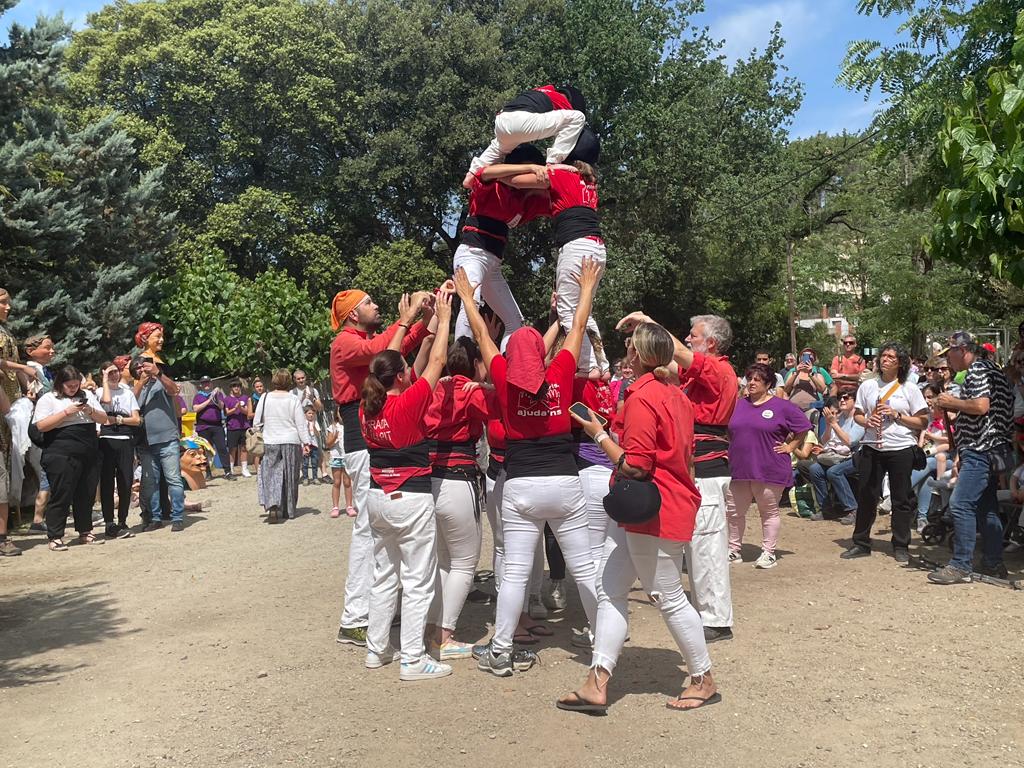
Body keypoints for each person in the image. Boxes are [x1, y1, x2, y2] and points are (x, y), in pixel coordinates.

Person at [556, 322, 718, 714]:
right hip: (658, 506)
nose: (625, 353)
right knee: (610, 586)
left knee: (667, 595)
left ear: (638, 355)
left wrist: (598, 433)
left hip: (653, 508)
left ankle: (703, 678)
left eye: (629, 347)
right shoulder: (675, 394)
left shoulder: (643, 396)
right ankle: (598, 680)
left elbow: (635, 465)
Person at [456, 257, 603, 677]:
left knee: (516, 572)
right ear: (539, 353)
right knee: (585, 568)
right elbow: (576, 329)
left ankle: (501, 650)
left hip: (519, 486)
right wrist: (587, 287)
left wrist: (469, 298)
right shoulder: (558, 372)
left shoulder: (502, 376)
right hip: (564, 483)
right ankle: (602, 641)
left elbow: (483, 335)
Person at [616, 311, 737, 644]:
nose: (687, 340)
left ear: (711, 343)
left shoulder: (720, 369)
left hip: (708, 469)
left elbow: (675, 355)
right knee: (694, 544)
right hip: (694, 467)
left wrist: (649, 323)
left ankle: (715, 618)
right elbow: (662, 361)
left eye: (694, 336)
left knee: (707, 546)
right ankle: (705, 613)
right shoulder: (696, 373)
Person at [329, 284, 436, 646]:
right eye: (369, 303)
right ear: (353, 314)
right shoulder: (345, 341)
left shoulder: (366, 338)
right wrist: (407, 319)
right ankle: (354, 617)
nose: (376, 306)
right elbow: (381, 351)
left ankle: (371, 613)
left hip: (369, 439)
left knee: (372, 529)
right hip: (363, 442)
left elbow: (396, 351)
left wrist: (425, 319)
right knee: (365, 530)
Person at [360, 291, 453, 680]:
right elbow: (437, 361)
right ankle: (413, 659)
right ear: (400, 376)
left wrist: (409, 318)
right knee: (417, 580)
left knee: (384, 576)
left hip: (378, 498)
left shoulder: (369, 408)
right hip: (411, 498)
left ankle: (377, 649)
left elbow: (383, 364)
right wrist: (445, 317)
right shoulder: (408, 402)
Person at [494, 149, 608, 376]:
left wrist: (514, 170)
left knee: (567, 312)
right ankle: (601, 365)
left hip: (576, 246)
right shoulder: (588, 181)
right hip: (596, 248)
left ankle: (588, 367)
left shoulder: (562, 175)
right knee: (584, 309)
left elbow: (513, 181)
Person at [420, 337, 493, 660]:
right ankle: (444, 636)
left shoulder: (435, 387)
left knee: (443, 560)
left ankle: (432, 627)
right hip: (458, 477)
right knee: (464, 561)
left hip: (430, 479)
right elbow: (500, 410)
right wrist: (485, 386)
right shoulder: (472, 391)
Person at [929, 332, 1013, 583]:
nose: (948, 361)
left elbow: (980, 406)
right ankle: (992, 562)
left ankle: (961, 564)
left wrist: (951, 402)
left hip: (981, 449)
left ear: (963, 350)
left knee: (960, 503)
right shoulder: (992, 369)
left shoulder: (977, 370)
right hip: (988, 448)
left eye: (950, 354)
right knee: (986, 509)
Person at [454, 144, 551, 347]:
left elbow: (556, 195)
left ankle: (508, 370)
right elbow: (485, 172)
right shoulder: (494, 186)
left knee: (516, 322)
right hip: (472, 254)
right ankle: (460, 368)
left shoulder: (526, 200)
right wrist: (530, 168)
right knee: (471, 303)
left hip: (493, 265)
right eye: (531, 169)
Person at [841, 343, 929, 563]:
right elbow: (858, 415)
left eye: (891, 356)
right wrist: (867, 421)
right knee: (867, 495)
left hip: (900, 447)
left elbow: (923, 420)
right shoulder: (868, 386)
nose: (885, 359)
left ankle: (900, 544)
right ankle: (861, 542)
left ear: (900, 362)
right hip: (872, 446)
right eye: (883, 356)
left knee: (901, 497)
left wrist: (898, 415)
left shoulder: (909, 388)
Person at [726, 363, 811, 568]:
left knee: (768, 511)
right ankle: (733, 549)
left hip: (769, 467)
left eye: (757, 379)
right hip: (739, 467)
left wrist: (790, 447)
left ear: (769, 384)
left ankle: (768, 552)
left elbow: (804, 428)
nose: (751, 383)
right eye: (749, 379)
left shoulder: (782, 406)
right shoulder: (738, 404)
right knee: (733, 511)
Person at [32, 365, 109, 550]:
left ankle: (85, 531)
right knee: (62, 493)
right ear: (61, 384)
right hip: (61, 452)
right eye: (70, 386)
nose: (74, 389)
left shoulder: (87, 396)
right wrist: (66, 412)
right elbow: (40, 426)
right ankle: (55, 535)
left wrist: (89, 410)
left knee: (86, 493)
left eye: (76, 385)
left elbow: (103, 418)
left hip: (88, 450)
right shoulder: (49, 399)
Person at [465, 84, 587, 180]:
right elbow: (567, 130)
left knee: (499, 148)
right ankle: (553, 163)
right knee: (578, 117)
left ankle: (472, 174)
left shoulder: (543, 91)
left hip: (502, 121)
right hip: (522, 121)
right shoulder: (564, 103)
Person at [133, 355, 187, 532]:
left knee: (173, 479)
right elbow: (129, 404)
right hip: (146, 443)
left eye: (144, 366)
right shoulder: (134, 388)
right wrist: (140, 383)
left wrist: (159, 373)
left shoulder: (161, 382)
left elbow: (174, 390)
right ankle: (156, 518)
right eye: (138, 368)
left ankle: (177, 516)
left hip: (167, 439)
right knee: (151, 483)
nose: (142, 370)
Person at [254, 369, 312, 523]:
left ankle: (273, 505)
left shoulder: (265, 397)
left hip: (270, 440)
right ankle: (288, 509)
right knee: (290, 476)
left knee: (270, 474)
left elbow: (256, 422)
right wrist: (306, 442)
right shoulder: (293, 399)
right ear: (289, 382)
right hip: (290, 441)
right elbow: (300, 424)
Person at [795, 392, 864, 521]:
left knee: (834, 472)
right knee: (815, 469)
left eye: (846, 398)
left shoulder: (859, 418)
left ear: (855, 401)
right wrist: (828, 425)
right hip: (836, 456)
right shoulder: (840, 417)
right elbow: (825, 441)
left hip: (855, 457)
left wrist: (834, 424)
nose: (842, 400)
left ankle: (852, 509)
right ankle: (826, 509)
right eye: (840, 398)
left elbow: (851, 441)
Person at [97, 362, 141, 539]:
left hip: (125, 440)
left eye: (117, 371)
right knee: (107, 483)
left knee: (125, 481)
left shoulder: (128, 393)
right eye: (111, 372)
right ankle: (109, 522)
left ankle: (122, 519)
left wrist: (118, 420)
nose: (115, 374)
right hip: (106, 440)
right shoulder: (99, 392)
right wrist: (105, 381)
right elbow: (105, 402)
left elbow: (136, 419)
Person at [193, 377, 233, 481]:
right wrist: (208, 400)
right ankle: (208, 472)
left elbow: (221, 407)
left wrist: (215, 398)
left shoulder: (217, 395)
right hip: (203, 426)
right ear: (201, 384)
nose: (206, 384)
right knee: (205, 450)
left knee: (222, 448)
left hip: (217, 425)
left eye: (208, 382)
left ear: (211, 383)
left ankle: (227, 471)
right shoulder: (198, 396)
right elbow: (196, 408)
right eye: (204, 383)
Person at [325, 413, 355, 518]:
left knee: (347, 482)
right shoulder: (332, 427)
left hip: (347, 456)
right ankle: (335, 507)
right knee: (337, 482)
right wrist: (334, 438)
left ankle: (349, 506)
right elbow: (328, 444)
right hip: (336, 457)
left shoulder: (349, 425)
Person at [224, 380, 252, 477]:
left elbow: (248, 412)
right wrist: (235, 409)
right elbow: (226, 413)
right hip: (232, 427)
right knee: (232, 449)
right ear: (231, 388)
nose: (236, 388)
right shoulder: (227, 399)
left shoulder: (246, 398)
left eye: (238, 386)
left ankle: (244, 469)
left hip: (244, 426)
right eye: (234, 386)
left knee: (244, 448)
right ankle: (231, 469)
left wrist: (240, 408)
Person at [301, 405, 322, 485]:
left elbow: (318, 434)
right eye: (309, 413)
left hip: (314, 445)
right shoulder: (302, 423)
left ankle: (315, 477)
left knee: (314, 462)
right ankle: (305, 478)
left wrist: (314, 427)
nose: (311, 415)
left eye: (312, 413)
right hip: (306, 445)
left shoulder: (315, 422)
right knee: (305, 463)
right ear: (305, 414)